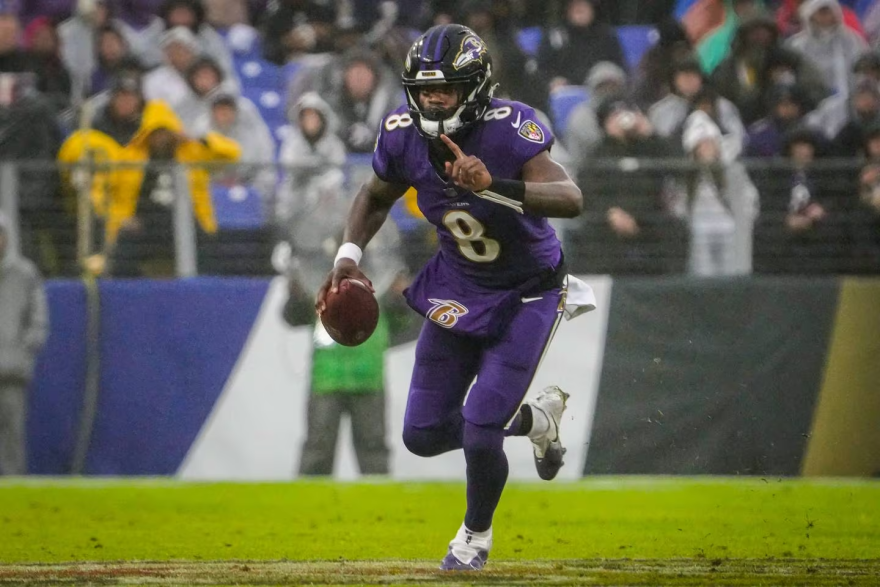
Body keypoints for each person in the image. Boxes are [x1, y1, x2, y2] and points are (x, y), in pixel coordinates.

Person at [314, 24, 594, 571]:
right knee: (421, 434)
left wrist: (495, 186)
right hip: (458, 285)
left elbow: (571, 198)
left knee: (482, 424)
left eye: (444, 88)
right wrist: (348, 254)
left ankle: (474, 539)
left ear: (477, 86)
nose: (432, 99)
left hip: (527, 292)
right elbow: (374, 196)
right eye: (423, 89)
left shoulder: (511, 128)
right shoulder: (402, 134)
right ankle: (537, 423)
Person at [0, 212, 48, 475]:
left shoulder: (24, 273)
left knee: (12, 438)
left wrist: (24, 349)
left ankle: (13, 489)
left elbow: (38, 319)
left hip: (11, 370)